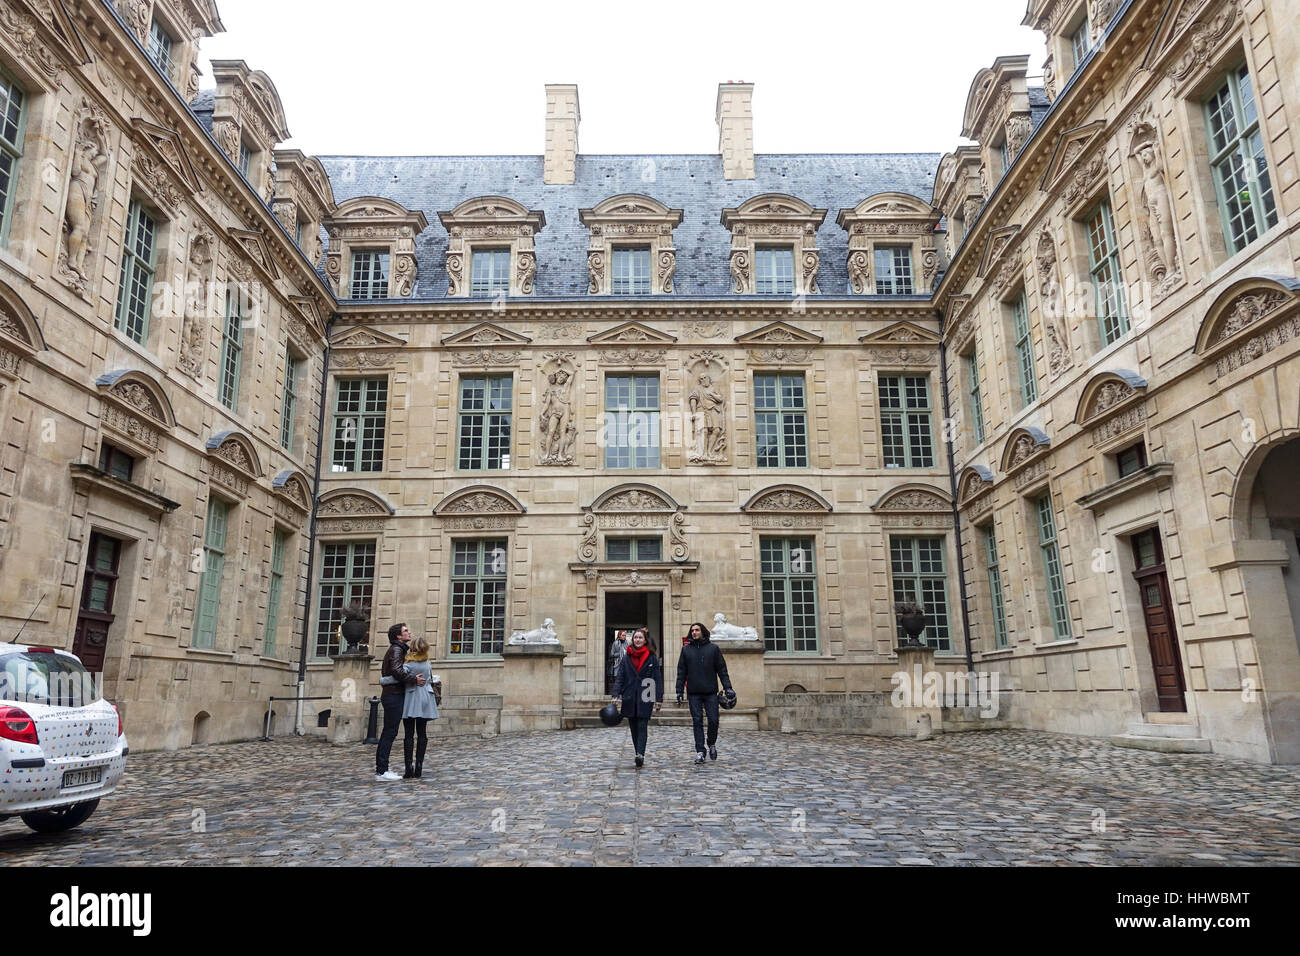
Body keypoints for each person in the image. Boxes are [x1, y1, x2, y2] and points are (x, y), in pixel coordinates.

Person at [676, 621, 734, 764]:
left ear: (702, 632)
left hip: (710, 692)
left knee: (714, 720)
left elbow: (722, 670)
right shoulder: (686, 650)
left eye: (697, 630)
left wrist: (728, 687)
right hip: (694, 692)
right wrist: (679, 691)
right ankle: (700, 751)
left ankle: (711, 742)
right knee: (697, 722)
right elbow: (681, 672)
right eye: (692, 630)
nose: (694, 632)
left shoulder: (713, 649)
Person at [376, 623, 425, 781]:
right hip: (393, 696)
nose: (408, 633)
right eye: (405, 631)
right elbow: (397, 671)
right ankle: (382, 771)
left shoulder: (398, 649)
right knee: (389, 732)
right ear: (398, 636)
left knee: (389, 732)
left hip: (394, 694)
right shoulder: (397, 650)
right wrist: (413, 680)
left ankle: (382, 769)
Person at [611, 627, 662, 768]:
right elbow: (620, 677)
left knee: (642, 724)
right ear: (632, 640)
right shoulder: (627, 656)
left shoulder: (652, 657)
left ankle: (640, 754)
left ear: (645, 640)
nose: (637, 640)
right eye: (635, 638)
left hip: (647, 692)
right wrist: (615, 694)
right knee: (633, 725)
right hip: (629, 694)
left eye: (640, 637)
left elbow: (657, 678)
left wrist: (658, 698)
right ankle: (637, 752)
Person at [400, 634, 439, 779]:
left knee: (409, 734)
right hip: (426, 697)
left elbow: (401, 677)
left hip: (411, 697)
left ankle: (408, 766)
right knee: (422, 733)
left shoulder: (408, 664)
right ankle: (419, 765)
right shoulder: (427, 663)